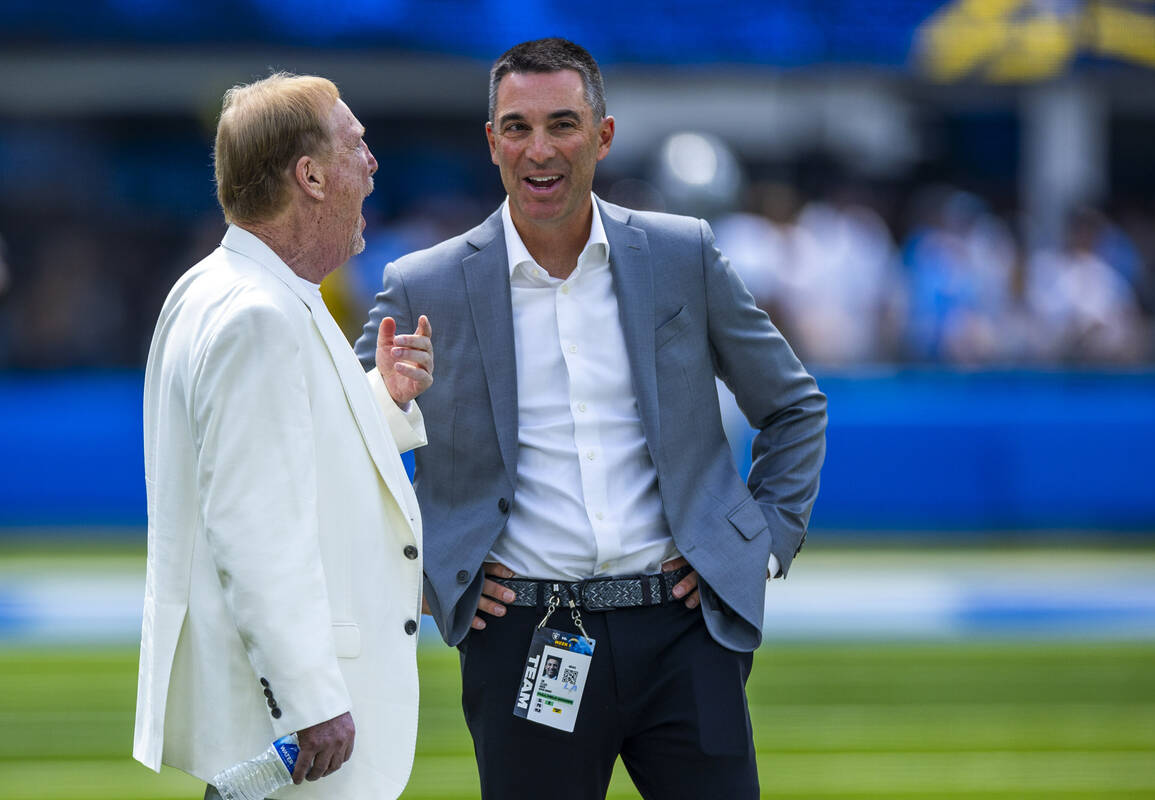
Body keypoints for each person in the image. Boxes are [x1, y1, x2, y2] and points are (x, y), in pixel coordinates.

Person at [356, 38, 826, 799]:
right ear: (491, 142)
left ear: (602, 137)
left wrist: (760, 545)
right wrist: (426, 570)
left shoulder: (682, 253)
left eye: (562, 124)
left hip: (684, 630)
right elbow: (345, 441)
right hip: (524, 636)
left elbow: (793, 406)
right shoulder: (424, 284)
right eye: (516, 127)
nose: (538, 149)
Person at [134, 72, 434, 800]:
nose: (371, 164)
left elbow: (286, 450)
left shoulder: (220, 288)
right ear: (309, 175)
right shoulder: (259, 314)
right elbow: (252, 524)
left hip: (273, 720)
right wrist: (308, 700)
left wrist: (381, 401)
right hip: (298, 731)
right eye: (356, 146)